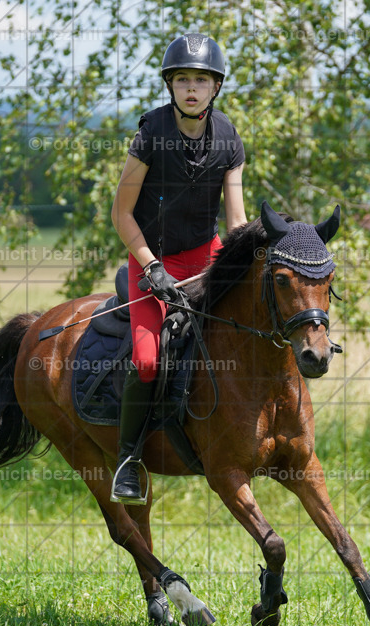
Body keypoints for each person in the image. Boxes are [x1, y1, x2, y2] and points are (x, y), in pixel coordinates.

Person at [109, 33, 247, 504]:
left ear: (215, 87)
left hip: (205, 258)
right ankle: (128, 460)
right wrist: (150, 268)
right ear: (170, 85)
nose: (192, 88)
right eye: (183, 79)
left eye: (202, 80)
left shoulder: (229, 138)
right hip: (152, 259)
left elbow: (236, 222)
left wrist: (239, 262)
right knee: (148, 361)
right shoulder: (150, 133)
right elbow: (121, 214)